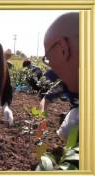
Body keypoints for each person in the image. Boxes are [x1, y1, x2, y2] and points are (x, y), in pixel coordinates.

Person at [43, 12, 79, 140]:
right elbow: (46, 99)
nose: (50, 65)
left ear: (63, 48)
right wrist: (42, 117)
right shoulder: (65, 82)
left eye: (48, 58)